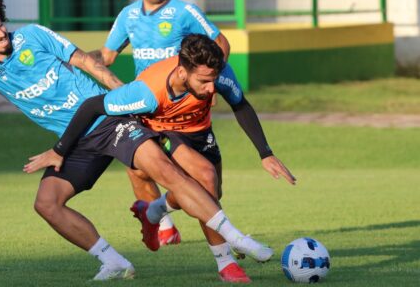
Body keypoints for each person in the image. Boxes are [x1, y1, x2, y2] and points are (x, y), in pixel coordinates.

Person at [0, 0, 269, 283]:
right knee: (47, 203)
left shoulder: (34, 36)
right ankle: (114, 261)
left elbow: (87, 62)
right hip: (72, 140)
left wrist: (127, 95)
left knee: (169, 173)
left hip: (108, 119)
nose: (0, 33)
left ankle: (234, 248)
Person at [25, 34, 296, 283]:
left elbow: (240, 104)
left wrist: (265, 153)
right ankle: (226, 263)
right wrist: (60, 150)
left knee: (211, 193)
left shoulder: (219, 74)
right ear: (182, 72)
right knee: (206, 177)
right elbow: (92, 106)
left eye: (214, 79)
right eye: (204, 81)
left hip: (201, 133)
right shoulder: (146, 91)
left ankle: (153, 209)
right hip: (161, 131)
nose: (212, 88)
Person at [93, 0, 231, 246]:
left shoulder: (184, 11)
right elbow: (106, 56)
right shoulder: (128, 15)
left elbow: (220, 43)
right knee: (136, 168)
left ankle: (165, 209)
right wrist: (75, 59)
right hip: (147, 104)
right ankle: (165, 226)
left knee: (209, 186)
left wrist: (211, 84)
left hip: (181, 106)